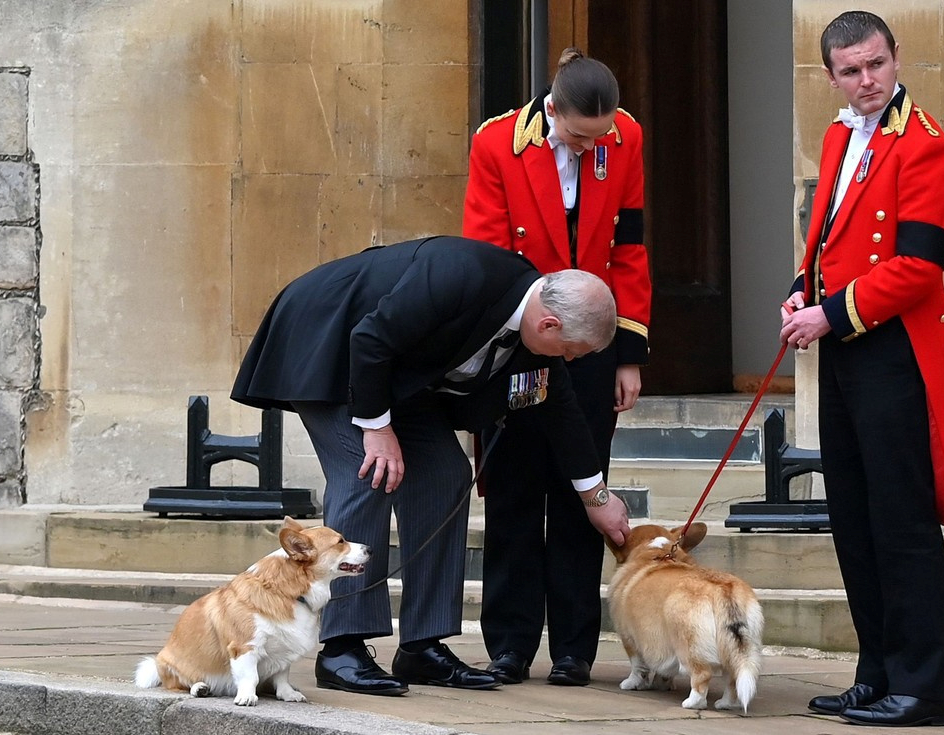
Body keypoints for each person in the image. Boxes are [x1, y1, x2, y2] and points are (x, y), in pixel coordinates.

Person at [230, 236, 631, 697]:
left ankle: (422, 645)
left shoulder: (533, 338)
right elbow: (370, 338)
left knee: (446, 475)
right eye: (571, 350)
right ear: (549, 323)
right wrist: (377, 430)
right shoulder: (463, 274)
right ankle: (342, 647)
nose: (570, 360)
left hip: (398, 377)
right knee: (369, 473)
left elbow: (561, 410)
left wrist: (595, 496)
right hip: (330, 344)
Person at [778, 11, 944, 728]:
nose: (867, 81)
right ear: (830, 74)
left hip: (897, 354)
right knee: (853, 516)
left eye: (876, 65)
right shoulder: (836, 136)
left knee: (901, 522)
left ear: (895, 59)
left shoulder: (926, 148)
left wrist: (830, 313)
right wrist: (804, 286)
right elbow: (826, 232)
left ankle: (923, 687)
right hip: (847, 348)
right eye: (851, 70)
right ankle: (877, 671)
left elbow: (918, 266)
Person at [462, 47, 651, 688]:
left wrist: (629, 353)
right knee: (514, 490)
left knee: (581, 492)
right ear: (553, 109)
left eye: (599, 136)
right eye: (577, 135)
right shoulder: (495, 143)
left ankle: (574, 649)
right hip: (524, 333)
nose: (589, 146)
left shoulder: (625, 137)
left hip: (592, 340)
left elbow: (630, 248)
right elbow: (485, 255)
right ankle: (509, 645)